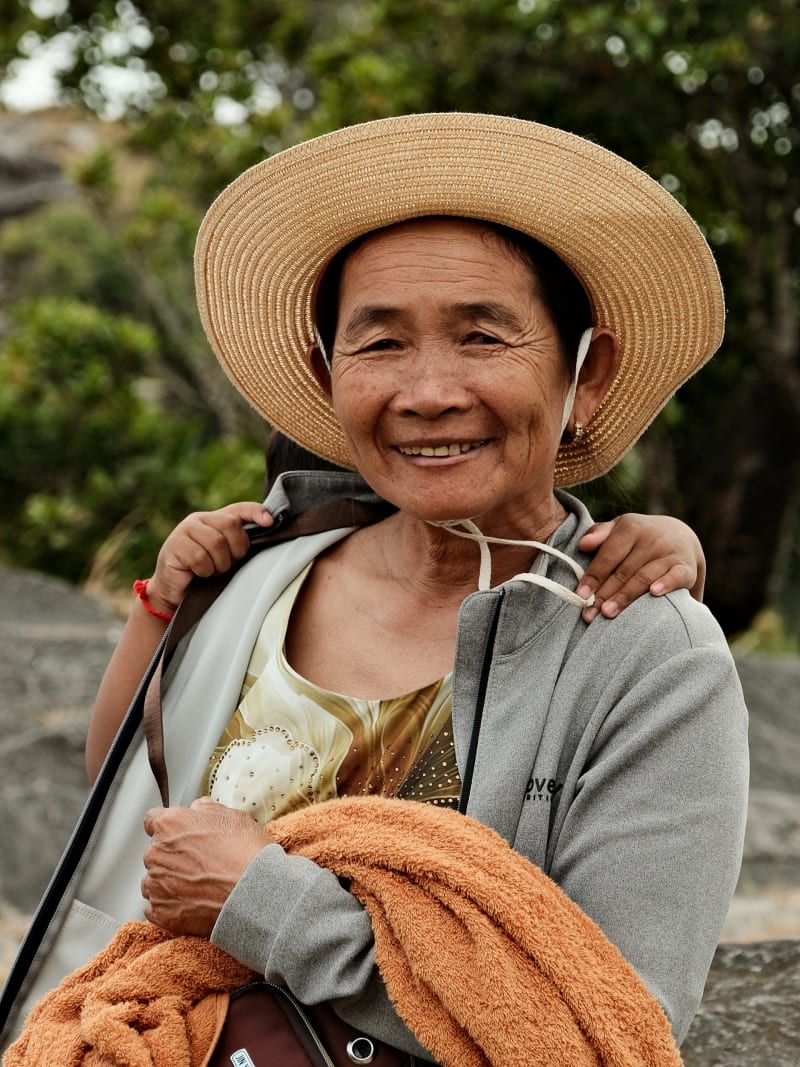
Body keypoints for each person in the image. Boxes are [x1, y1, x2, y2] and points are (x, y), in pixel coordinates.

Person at [2, 114, 747, 1062]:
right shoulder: (259, 574)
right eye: (380, 343)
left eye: (483, 335)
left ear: (585, 374)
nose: (428, 390)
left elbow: (611, 1029)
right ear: (325, 371)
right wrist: (164, 604)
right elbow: (126, 804)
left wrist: (264, 904)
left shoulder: (643, 654)